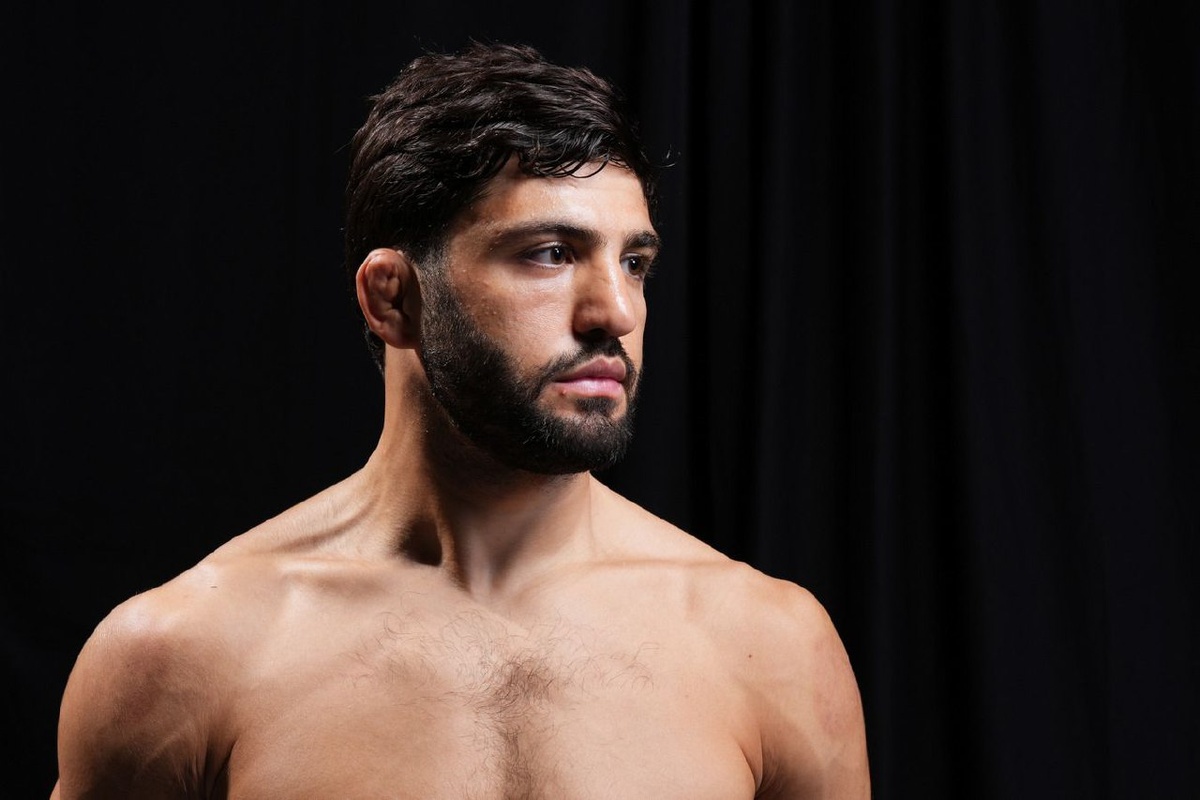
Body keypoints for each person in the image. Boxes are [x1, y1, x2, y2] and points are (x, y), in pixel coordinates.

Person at [51, 42, 869, 799]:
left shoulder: (769, 648)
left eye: (634, 262)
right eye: (550, 253)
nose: (616, 312)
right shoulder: (185, 658)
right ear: (392, 298)